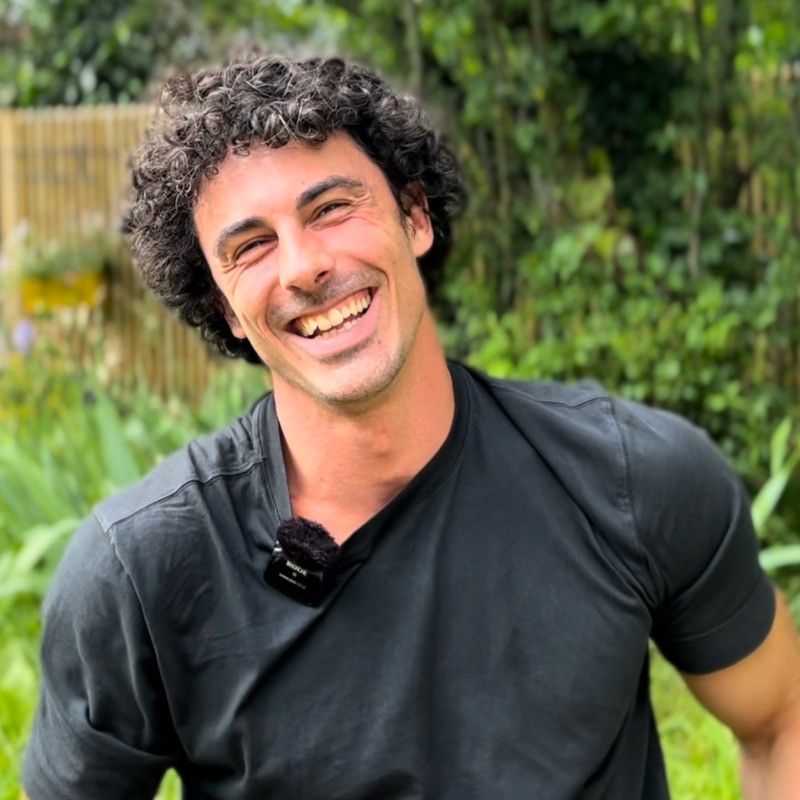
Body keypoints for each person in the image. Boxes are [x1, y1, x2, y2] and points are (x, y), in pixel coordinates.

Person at [23, 53, 800, 800]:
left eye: (331, 208)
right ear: (225, 308)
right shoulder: (141, 572)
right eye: (252, 246)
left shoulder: (632, 480)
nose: (302, 266)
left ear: (415, 216)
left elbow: (780, 718)